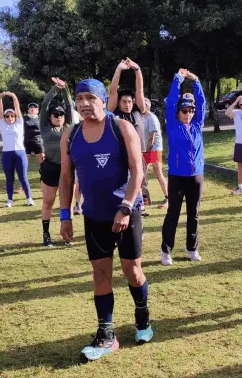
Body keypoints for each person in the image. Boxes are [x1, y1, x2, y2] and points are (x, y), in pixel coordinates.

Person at [58, 78, 152, 362]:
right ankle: (107, 336)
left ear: (102, 100)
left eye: (90, 97)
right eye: (80, 98)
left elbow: (138, 171)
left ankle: (143, 317)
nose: (85, 103)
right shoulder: (70, 135)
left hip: (126, 213)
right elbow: (65, 177)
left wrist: (125, 207)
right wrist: (65, 215)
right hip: (94, 216)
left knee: (132, 271)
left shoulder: (121, 127)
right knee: (100, 274)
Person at [160, 68, 205, 265]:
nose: (188, 114)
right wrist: (178, 79)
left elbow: (202, 103)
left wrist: (195, 80)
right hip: (177, 176)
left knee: (193, 214)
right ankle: (166, 251)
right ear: (178, 112)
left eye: (190, 111)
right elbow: (170, 101)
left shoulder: (197, 125)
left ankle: (192, 248)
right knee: (173, 214)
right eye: (184, 111)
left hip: (196, 176)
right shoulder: (172, 124)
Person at [109, 59, 149, 214]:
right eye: (124, 101)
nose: (127, 104)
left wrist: (137, 69)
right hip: (120, 155)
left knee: (139, 180)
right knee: (121, 182)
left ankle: (139, 206)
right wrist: (119, 69)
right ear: (119, 103)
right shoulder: (114, 113)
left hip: (138, 154)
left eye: (129, 102)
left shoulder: (138, 111)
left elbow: (139, 91)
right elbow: (113, 91)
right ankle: (122, 205)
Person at [39, 77, 75, 247]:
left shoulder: (69, 126)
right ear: (50, 117)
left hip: (67, 168)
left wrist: (66, 88)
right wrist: (55, 88)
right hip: (51, 168)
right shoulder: (45, 127)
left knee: (67, 203)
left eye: (61, 114)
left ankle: (67, 234)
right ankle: (46, 235)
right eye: (56, 114)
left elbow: (69, 106)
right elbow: (45, 104)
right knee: (48, 202)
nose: (59, 116)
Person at [0, 91, 33, 207]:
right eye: (7, 116)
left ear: (15, 116)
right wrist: (0, 97)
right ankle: (10, 200)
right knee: (9, 178)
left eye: (12, 116)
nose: (10, 118)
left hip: (20, 153)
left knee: (23, 177)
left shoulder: (19, 123)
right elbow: (0, 109)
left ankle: (29, 198)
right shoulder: (2, 124)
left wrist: (13, 96)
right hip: (7, 154)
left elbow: (17, 107)